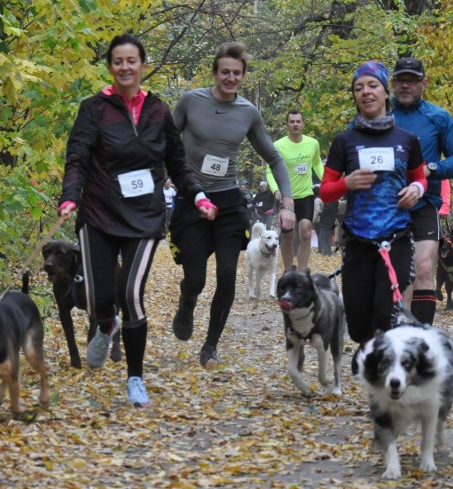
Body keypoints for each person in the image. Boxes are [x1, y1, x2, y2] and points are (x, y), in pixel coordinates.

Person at [58, 33, 210, 407]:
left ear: (142, 65)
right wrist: (69, 196)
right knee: (98, 299)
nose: (125, 67)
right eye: (117, 61)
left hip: (144, 215)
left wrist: (199, 195)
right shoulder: (93, 109)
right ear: (110, 67)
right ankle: (105, 324)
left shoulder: (159, 111)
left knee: (131, 294)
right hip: (98, 211)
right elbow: (77, 157)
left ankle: (135, 378)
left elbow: (176, 163)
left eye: (132, 60)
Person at [170, 41, 294, 369]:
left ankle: (210, 347)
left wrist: (288, 201)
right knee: (195, 279)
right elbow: (165, 146)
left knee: (227, 274)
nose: (230, 77)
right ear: (214, 72)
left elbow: (274, 157)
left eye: (236, 73)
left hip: (228, 200)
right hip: (191, 200)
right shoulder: (190, 102)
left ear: (243, 76)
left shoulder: (248, 113)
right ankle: (187, 303)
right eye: (224, 72)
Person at [319, 61, 426, 344]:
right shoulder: (345, 141)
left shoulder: (407, 139)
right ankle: (369, 349)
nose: (366, 92)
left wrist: (416, 188)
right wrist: (347, 183)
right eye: (358, 88)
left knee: (384, 310)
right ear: (354, 96)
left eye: (372, 85)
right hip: (358, 239)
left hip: (397, 237)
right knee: (357, 325)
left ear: (385, 92)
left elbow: (420, 178)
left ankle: (383, 365)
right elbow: (326, 192)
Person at [391, 57, 453, 325]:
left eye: (412, 80)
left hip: (424, 203)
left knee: (424, 267)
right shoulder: (377, 113)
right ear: (392, 83)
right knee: (397, 275)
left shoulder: (438, 117)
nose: (405, 85)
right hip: (384, 206)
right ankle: (397, 333)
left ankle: (423, 336)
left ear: (423, 83)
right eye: (401, 80)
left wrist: (431, 169)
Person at [266, 110, 324, 271]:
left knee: (306, 233)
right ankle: (288, 271)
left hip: (306, 194)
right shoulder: (278, 145)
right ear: (287, 125)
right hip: (287, 197)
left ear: (303, 123)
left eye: (298, 121)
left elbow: (317, 163)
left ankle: (301, 273)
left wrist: (327, 181)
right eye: (292, 122)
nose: (295, 124)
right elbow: (270, 171)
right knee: (288, 235)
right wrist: (275, 189)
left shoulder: (312, 143)